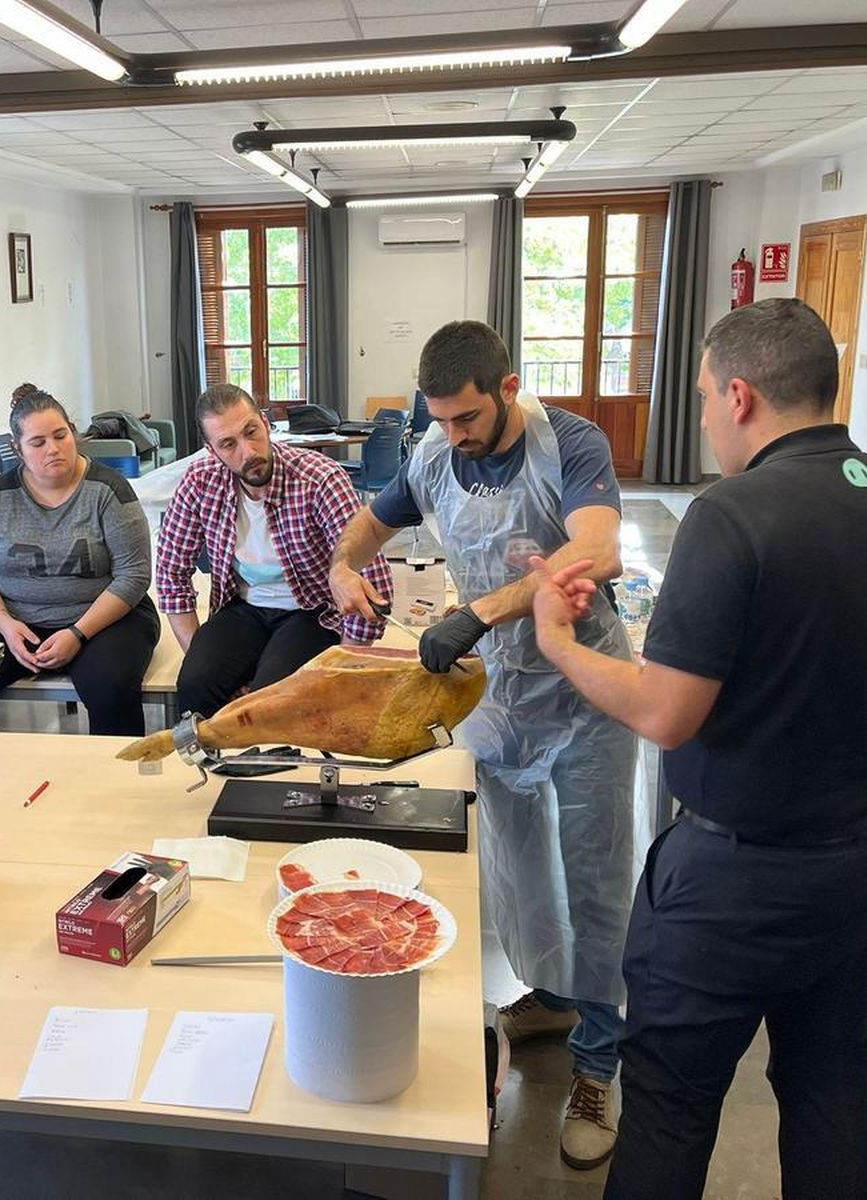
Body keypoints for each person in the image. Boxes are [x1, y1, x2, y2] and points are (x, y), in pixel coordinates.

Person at [526, 299, 867, 1198]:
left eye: (701, 400)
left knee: (673, 1102)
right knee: (830, 1080)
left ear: (739, 394)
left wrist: (560, 644)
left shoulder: (731, 516)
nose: (705, 421)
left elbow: (665, 715)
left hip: (740, 879)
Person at [329, 321, 636, 1170]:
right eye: (440, 419)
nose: (454, 435)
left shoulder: (569, 442)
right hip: (503, 698)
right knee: (518, 870)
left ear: (505, 390)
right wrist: (345, 571)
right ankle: (551, 995)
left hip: (584, 696)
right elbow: (361, 532)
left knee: (599, 883)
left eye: (466, 418)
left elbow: (599, 548)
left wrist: (480, 610)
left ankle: (600, 1066)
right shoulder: (432, 454)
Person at [156, 384, 393, 719]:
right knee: (196, 684)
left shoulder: (319, 479)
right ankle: (216, 768)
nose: (248, 451)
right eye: (228, 444)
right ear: (212, 451)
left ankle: (275, 766)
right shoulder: (200, 480)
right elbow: (170, 570)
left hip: (311, 611)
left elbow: (374, 581)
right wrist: (202, 658)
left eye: (252, 432)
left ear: (266, 424)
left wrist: (340, 669)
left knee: (270, 703)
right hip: (243, 607)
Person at [0, 383, 158, 735]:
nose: (53, 449)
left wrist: (77, 633)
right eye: (38, 443)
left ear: (73, 433)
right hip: (17, 620)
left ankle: (117, 786)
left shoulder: (109, 491)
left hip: (103, 619)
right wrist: (7, 627)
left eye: (60, 436)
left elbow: (133, 576)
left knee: (110, 689)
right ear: (18, 449)